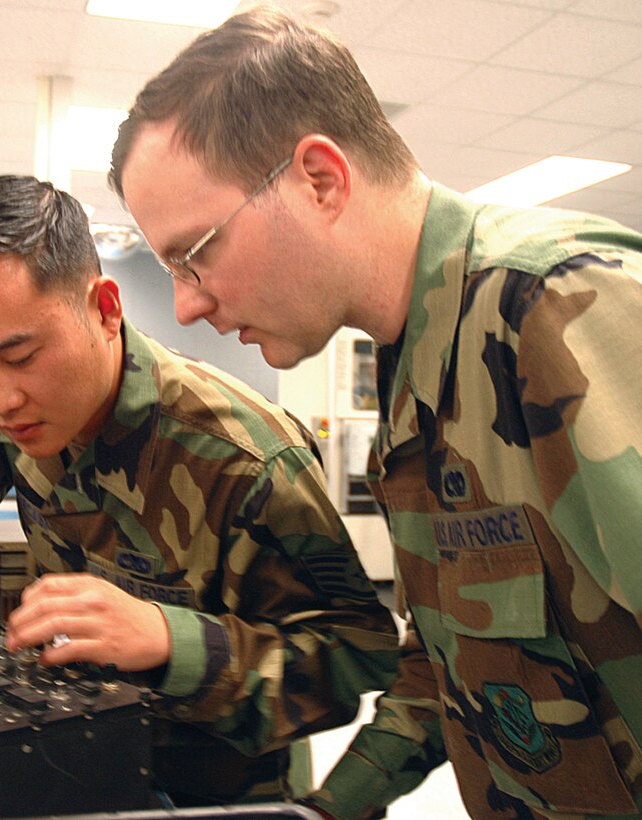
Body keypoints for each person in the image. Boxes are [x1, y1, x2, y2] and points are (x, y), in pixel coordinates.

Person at [109, 6, 642, 819]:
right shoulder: (413, 383)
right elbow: (449, 668)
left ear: (318, 179)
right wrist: (328, 810)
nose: (184, 306)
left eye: (196, 252)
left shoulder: (551, 305)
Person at [0, 175, 401, 808]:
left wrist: (172, 641)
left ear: (105, 309)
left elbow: (354, 654)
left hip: (211, 790)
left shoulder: (248, 459)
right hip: (67, 764)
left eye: (22, 356)